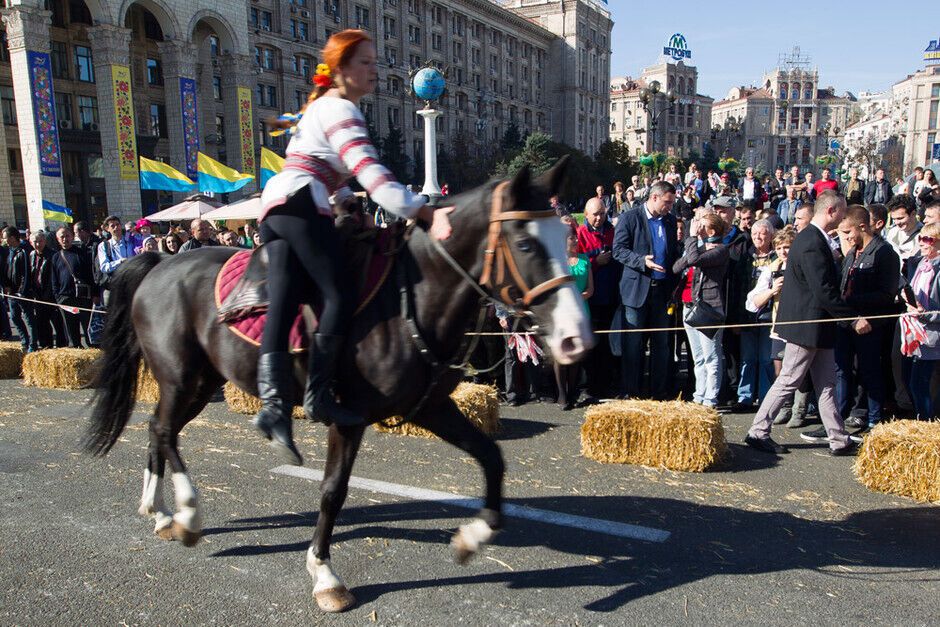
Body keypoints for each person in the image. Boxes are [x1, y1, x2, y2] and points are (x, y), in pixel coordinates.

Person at [256, 29, 453, 464]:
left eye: (374, 62)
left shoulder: (319, 107)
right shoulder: (341, 109)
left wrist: (346, 199)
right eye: (365, 62)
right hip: (303, 203)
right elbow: (373, 177)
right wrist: (423, 211)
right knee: (339, 293)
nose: (374, 71)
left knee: (284, 301)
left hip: (278, 204)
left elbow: (324, 167)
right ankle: (318, 395)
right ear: (342, 69)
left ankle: (273, 408)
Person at [745, 191, 872, 456]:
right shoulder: (812, 241)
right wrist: (852, 319)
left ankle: (838, 439)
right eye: (842, 211)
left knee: (826, 384)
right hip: (807, 327)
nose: (844, 216)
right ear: (831, 211)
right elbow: (824, 290)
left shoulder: (814, 238)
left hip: (817, 327)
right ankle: (757, 431)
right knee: (789, 379)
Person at [826, 206, 900, 436]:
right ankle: (837, 419)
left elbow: (887, 294)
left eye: (848, 232)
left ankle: (875, 420)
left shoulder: (885, 253)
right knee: (842, 371)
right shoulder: (852, 252)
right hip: (846, 322)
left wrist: (851, 299)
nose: (846, 237)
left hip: (870, 324)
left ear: (863, 226)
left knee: (870, 370)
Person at [613, 181, 680, 400]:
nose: (669, 207)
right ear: (654, 197)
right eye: (667, 202)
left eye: (672, 203)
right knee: (633, 344)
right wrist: (642, 261)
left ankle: (659, 392)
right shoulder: (630, 218)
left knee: (661, 344)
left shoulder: (670, 221)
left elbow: (672, 253)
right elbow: (618, 250)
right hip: (636, 291)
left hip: (661, 292)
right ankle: (631, 392)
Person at [673, 212, 729, 408]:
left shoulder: (721, 250)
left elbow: (695, 260)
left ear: (712, 231)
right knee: (698, 357)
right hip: (689, 306)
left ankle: (710, 399)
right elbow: (676, 267)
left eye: (702, 226)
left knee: (710, 356)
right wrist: (696, 246)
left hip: (709, 308)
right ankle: (699, 395)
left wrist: (691, 239)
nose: (698, 228)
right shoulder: (699, 248)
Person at [577, 197, 621, 401]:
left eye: (602, 213)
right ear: (586, 215)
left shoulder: (612, 231)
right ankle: (590, 386)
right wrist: (596, 262)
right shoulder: (580, 234)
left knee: (609, 344)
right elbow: (576, 265)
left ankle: (607, 383)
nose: (599, 218)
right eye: (595, 214)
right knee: (591, 344)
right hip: (590, 299)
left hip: (611, 296)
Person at [731, 219, 777, 411]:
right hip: (747, 315)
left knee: (766, 359)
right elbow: (737, 289)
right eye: (755, 233)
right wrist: (736, 318)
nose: (758, 236)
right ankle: (745, 397)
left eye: (762, 233)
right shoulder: (745, 257)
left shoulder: (777, 258)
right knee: (748, 358)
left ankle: (765, 397)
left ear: (771, 235)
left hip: (769, 315)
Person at [903, 222, 940, 419]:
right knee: (914, 381)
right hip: (917, 332)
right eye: (920, 238)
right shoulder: (921, 264)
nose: (922, 243)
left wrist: (924, 313)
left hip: (933, 335)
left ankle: (927, 423)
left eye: (928, 239)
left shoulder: (937, 269)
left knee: (919, 383)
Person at [554, 230, 592, 410]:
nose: (576, 240)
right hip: (561, 312)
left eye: (576, 237)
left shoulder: (584, 259)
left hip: (581, 310)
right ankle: (562, 394)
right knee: (561, 355)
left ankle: (572, 393)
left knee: (576, 355)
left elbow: (590, 289)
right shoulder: (556, 261)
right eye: (571, 237)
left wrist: (578, 298)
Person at [50, 226, 95, 348]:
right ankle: (75, 347)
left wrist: (94, 294)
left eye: (67, 236)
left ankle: (92, 350)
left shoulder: (82, 253)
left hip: (83, 298)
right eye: (62, 237)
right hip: (65, 299)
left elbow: (91, 275)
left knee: (88, 329)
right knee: (71, 332)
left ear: (72, 237)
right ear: (58, 239)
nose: (65, 239)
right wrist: (58, 298)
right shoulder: (56, 257)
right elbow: (54, 280)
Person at [29, 231, 67, 349]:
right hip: (38, 296)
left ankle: (61, 346)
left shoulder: (53, 255)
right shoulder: (31, 255)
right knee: (42, 324)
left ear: (45, 241)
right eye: (35, 242)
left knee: (58, 324)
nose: (38, 244)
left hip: (52, 296)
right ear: (31, 242)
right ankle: (46, 346)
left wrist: (51, 294)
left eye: (40, 241)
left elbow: (55, 277)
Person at [3, 226, 36, 352]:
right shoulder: (9, 251)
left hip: (23, 293)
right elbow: (7, 270)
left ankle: (33, 344)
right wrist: (7, 286)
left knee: (29, 319)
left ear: (12, 238)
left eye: (5, 238)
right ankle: (24, 341)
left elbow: (25, 274)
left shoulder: (24, 251)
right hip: (12, 292)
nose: (4, 241)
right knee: (15, 317)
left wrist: (22, 291)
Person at [96, 215, 137, 303]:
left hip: (131, 284)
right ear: (107, 229)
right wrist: (120, 262)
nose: (116, 228)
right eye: (112, 226)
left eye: (117, 224)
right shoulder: (103, 246)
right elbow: (104, 267)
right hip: (114, 286)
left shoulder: (130, 241)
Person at [884, 194, 921, 272]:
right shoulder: (892, 232)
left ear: (913, 214)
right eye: (894, 219)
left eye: (900, 218)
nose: (897, 222)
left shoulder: (924, 235)